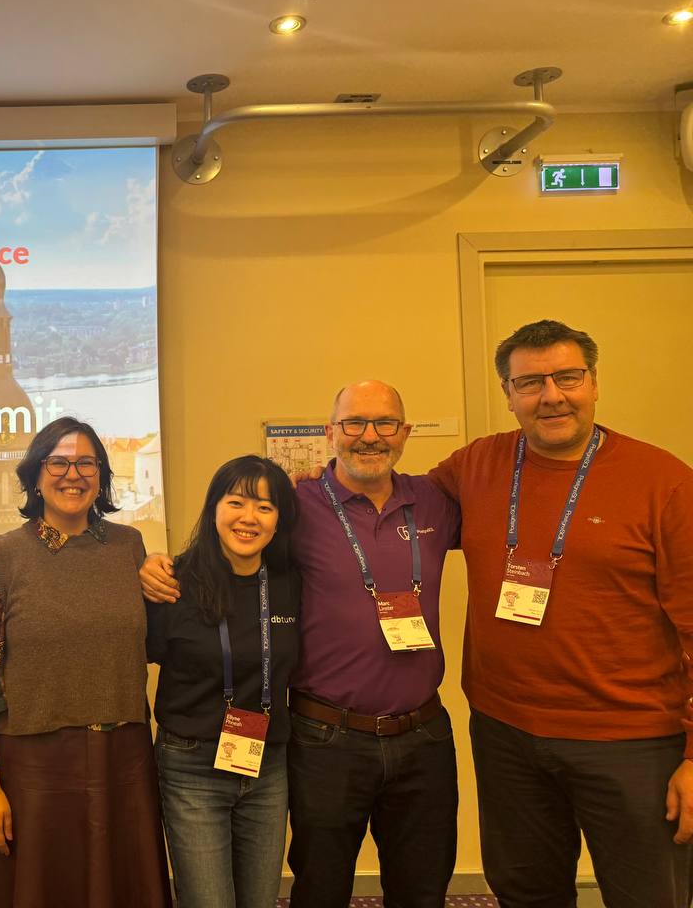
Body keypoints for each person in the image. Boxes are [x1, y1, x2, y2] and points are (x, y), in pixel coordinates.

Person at [142, 381, 462, 907]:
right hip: (326, 737)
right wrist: (151, 560)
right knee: (320, 888)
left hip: (422, 733)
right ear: (331, 433)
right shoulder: (301, 503)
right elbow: (231, 541)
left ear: (404, 433)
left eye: (384, 424)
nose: (369, 436)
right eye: (354, 423)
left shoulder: (434, 501)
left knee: (423, 887)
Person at [428, 319, 693, 908]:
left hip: (632, 741)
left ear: (594, 382)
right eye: (530, 382)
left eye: (567, 377)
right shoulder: (477, 465)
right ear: (509, 393)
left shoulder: (664, 481)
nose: (551, 395)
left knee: (650, 896)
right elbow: (387, 508)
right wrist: (306, 491)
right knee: (526, 892)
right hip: (506, 731)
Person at [0, 415, 172, 908]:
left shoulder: (129, 546)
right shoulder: (2, 556)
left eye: (86, 463)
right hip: (35, 768)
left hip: (124, 759)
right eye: (58, 462)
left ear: (102, 476)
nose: (73, 474)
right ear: (35, 475)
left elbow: (152, 641)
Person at [146, 455, 302, 908]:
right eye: (236, 502)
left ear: (278, 521)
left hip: (267, 763)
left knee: (260, 900)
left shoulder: (291, 583)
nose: (248, 518)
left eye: (265, 507)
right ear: (214, 508)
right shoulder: (171, 582)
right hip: (191, 766)